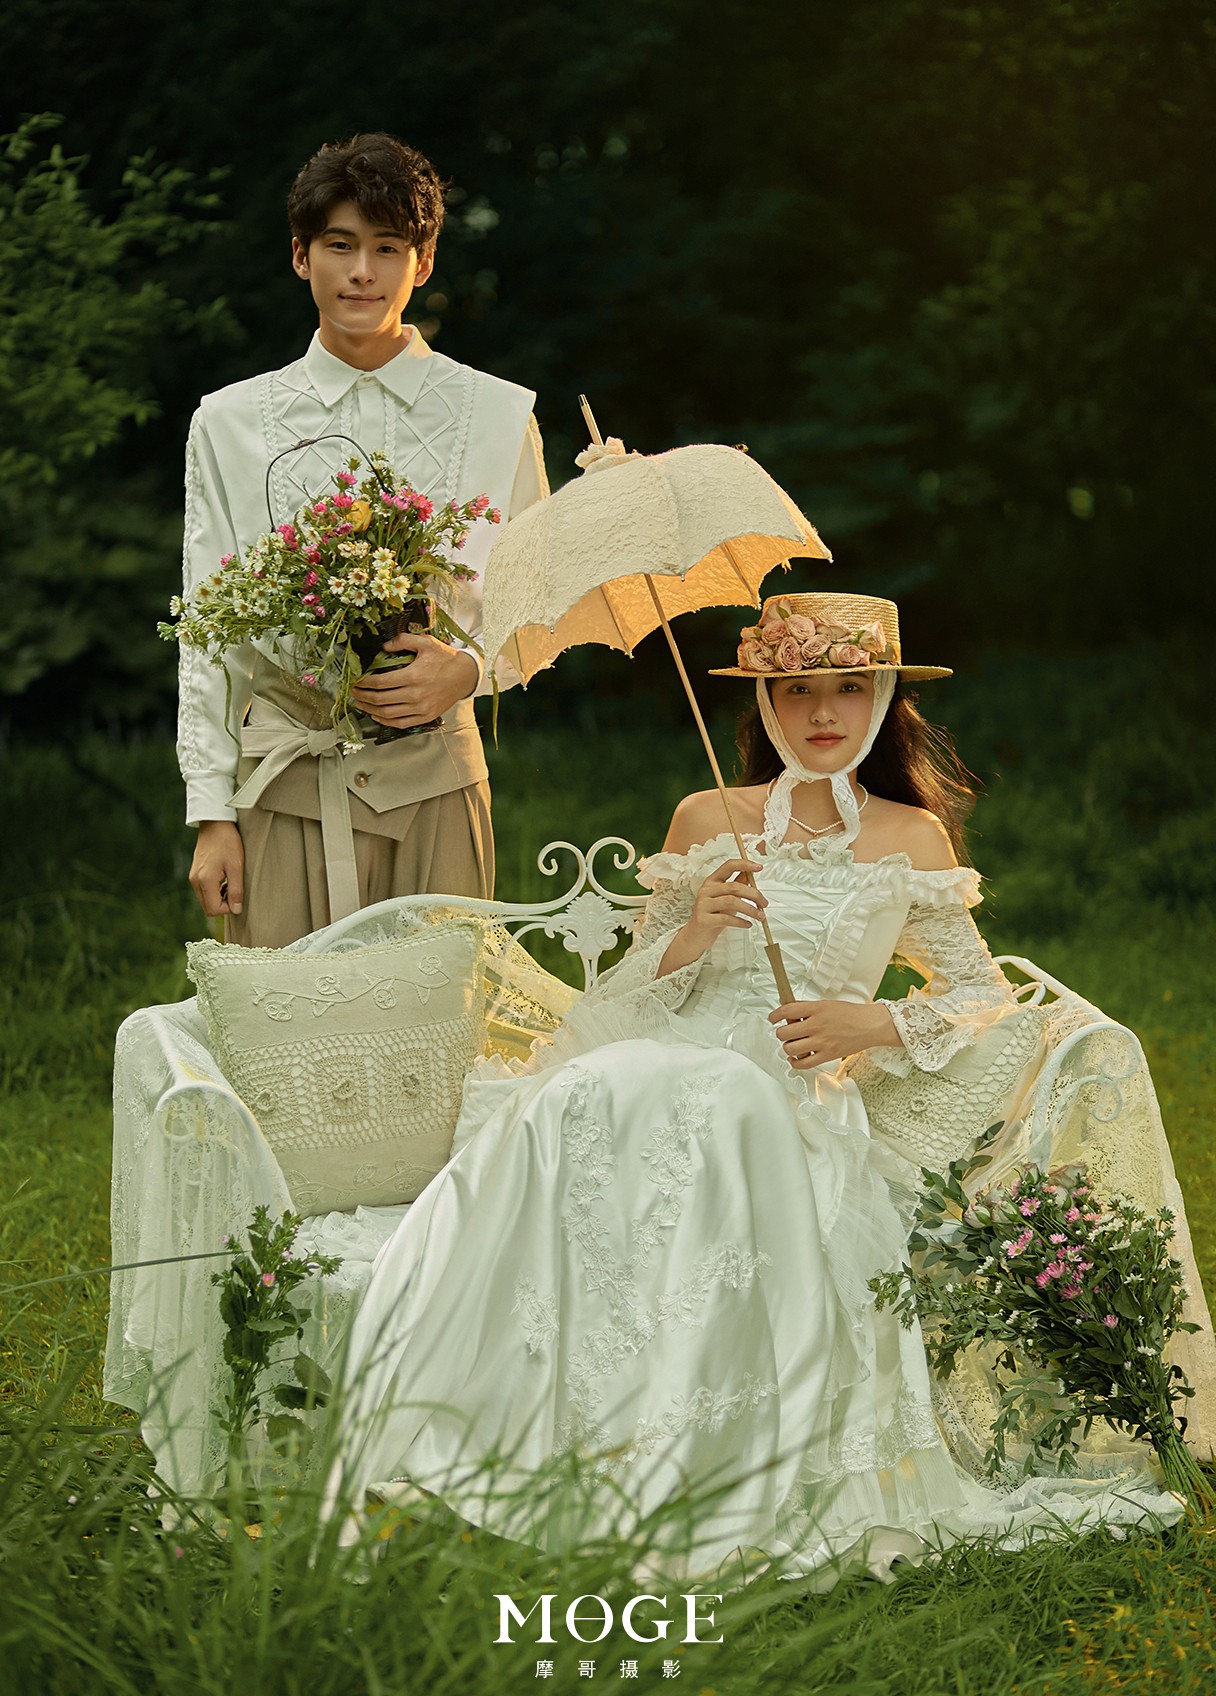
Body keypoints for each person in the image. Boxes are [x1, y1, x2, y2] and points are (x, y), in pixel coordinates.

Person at [318, 591, 1216, 1580]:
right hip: (659, 1065)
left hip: (787, 1095)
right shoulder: (708, 819)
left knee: (728, 1101)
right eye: (796, 691)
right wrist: (693, 931)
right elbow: (626, 996)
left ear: (884, 703)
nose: (822, 712)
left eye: (848, 688)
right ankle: (547, 1422)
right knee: (591, 1092)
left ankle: (685, 1455)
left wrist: (868, 1024)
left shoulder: (910, 836)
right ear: (763, 704)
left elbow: (978, 995)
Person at [178, 132, 548, 948]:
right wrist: (211, 812)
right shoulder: (228, 422)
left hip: (438, 782)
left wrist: (469, 670)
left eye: (387, 248)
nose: (362, 272)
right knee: (284, 1025)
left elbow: (540, 603)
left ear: (423, 262)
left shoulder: (500, 414)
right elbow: (207, 632)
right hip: (282, 783)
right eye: (340, 245)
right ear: (301, 256)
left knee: (434, 1022)